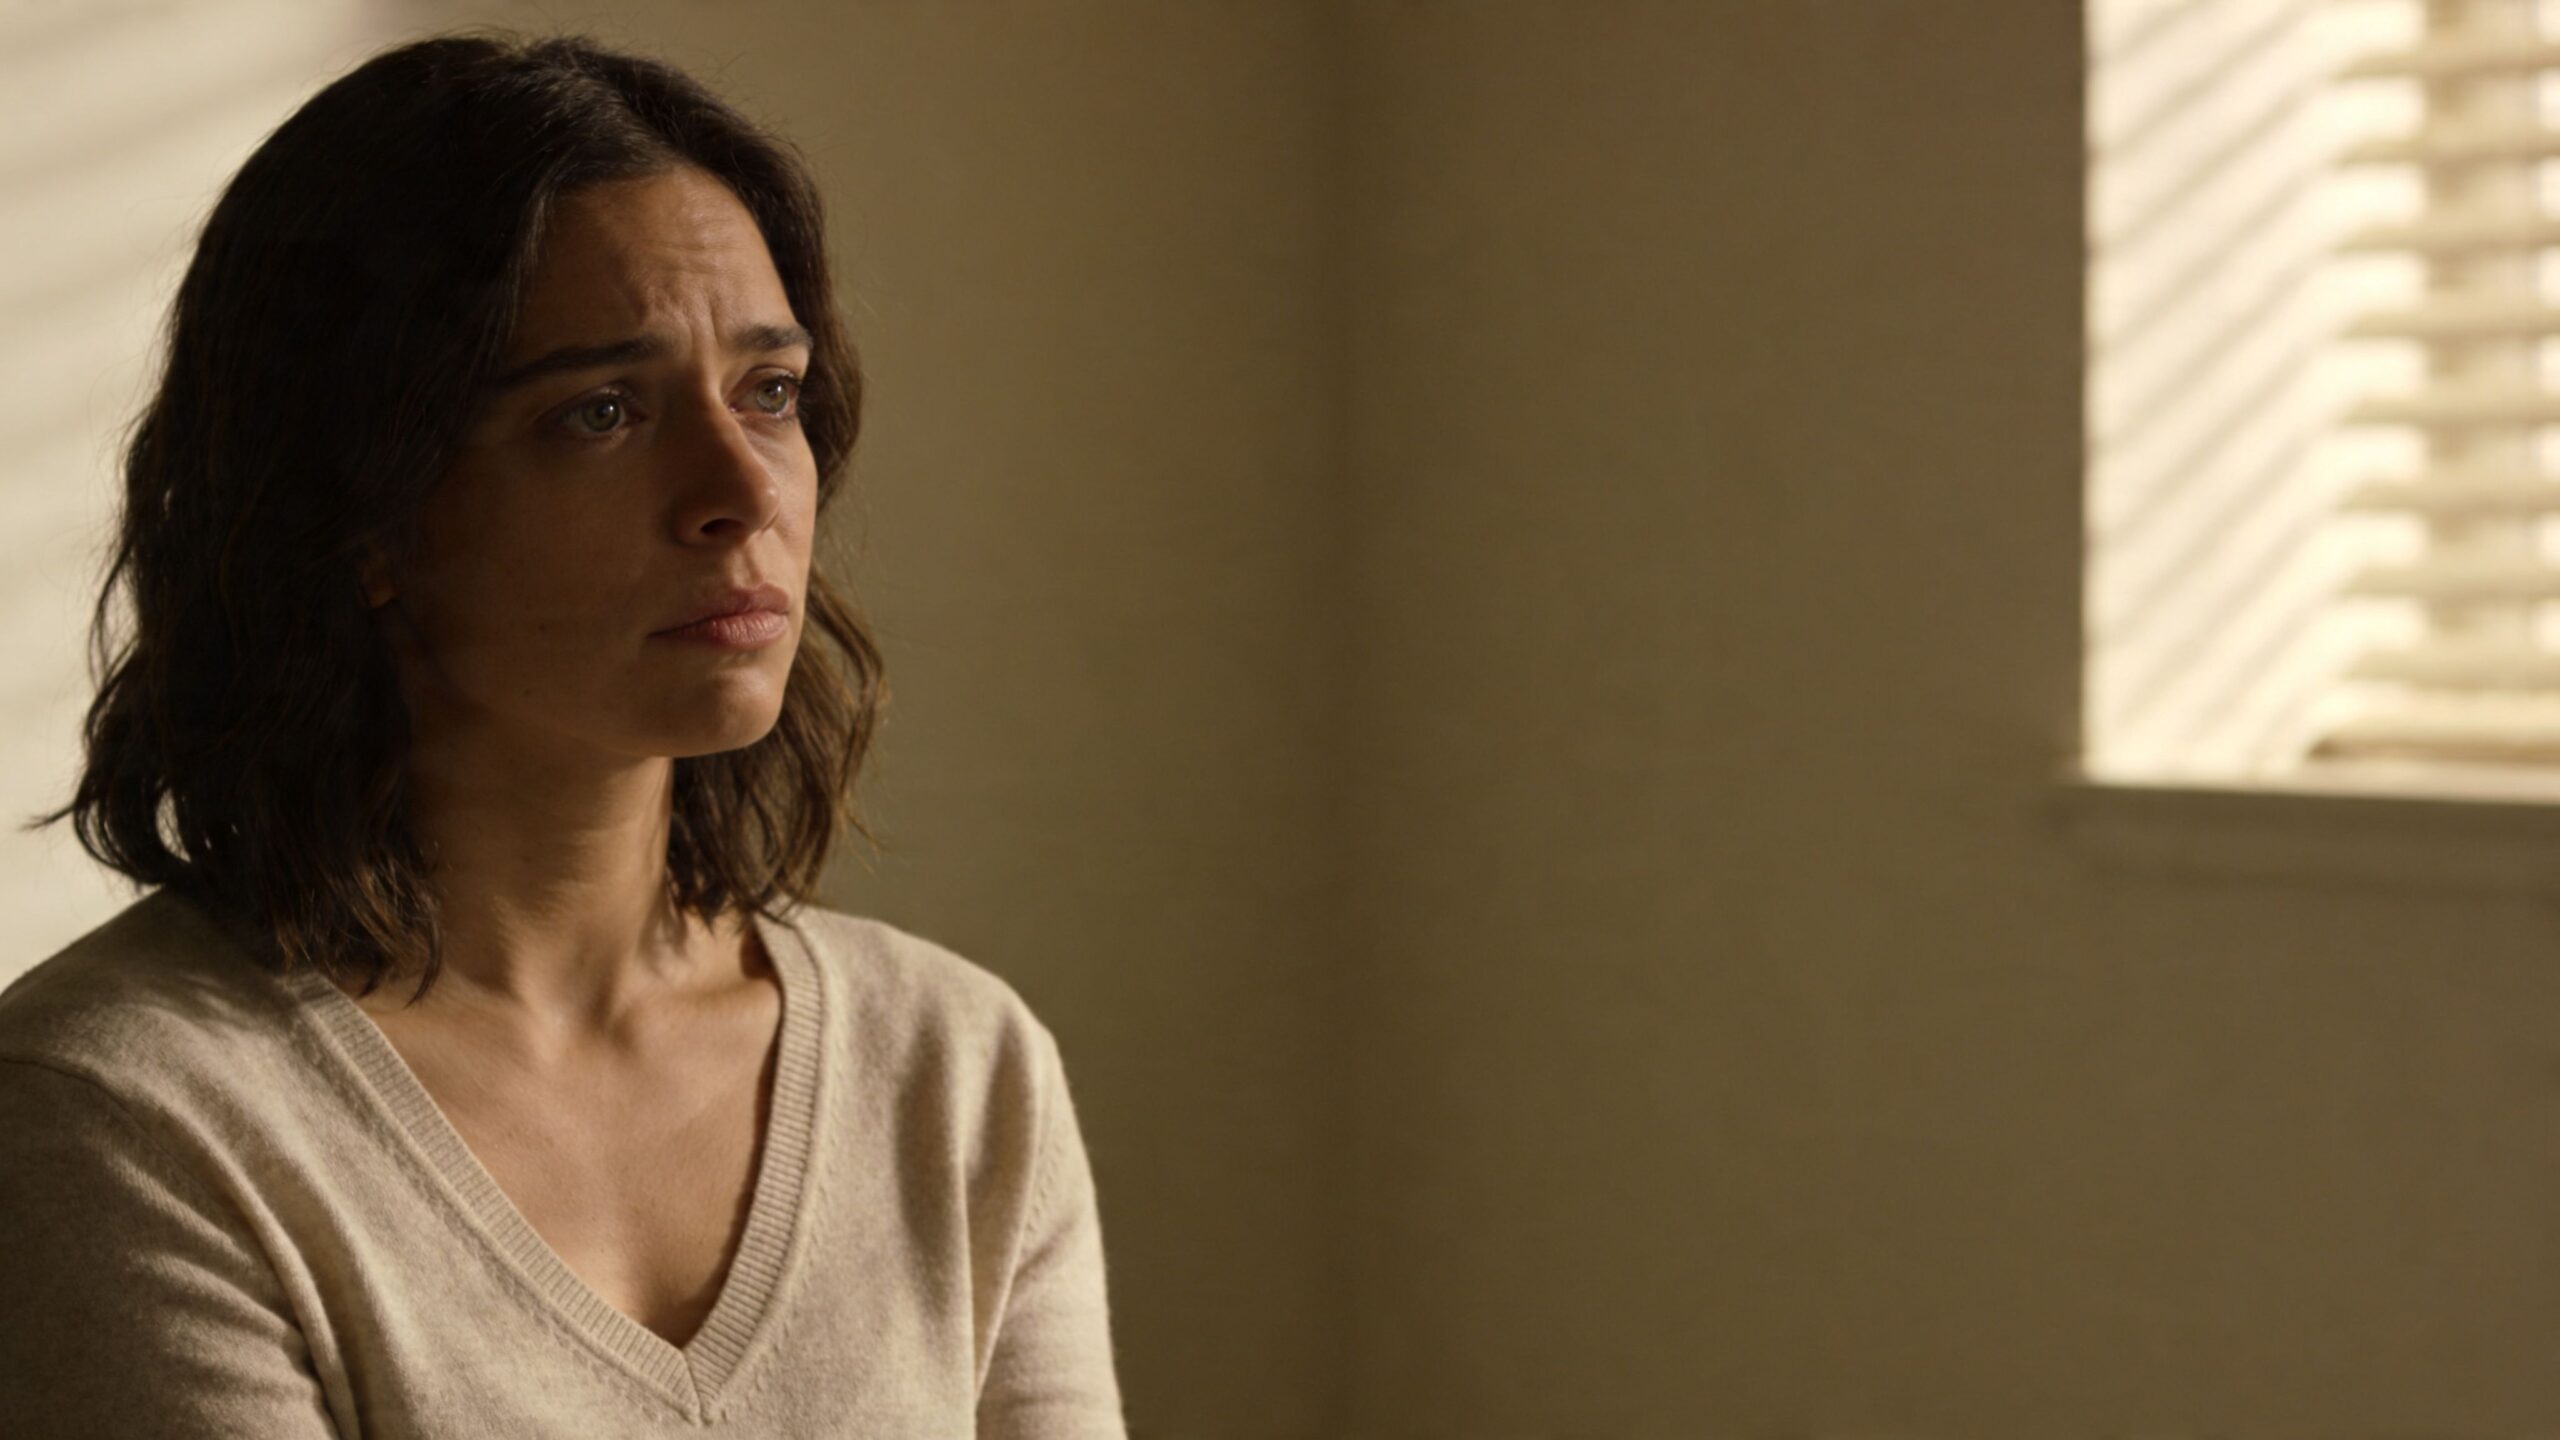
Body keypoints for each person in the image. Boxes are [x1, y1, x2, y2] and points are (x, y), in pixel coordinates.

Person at [0, 31, 1129, 1437]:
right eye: (603, 411)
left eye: (767, 392)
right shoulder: (121, 1113)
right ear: (366, 514)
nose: (738, 494)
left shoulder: (954, 1072)